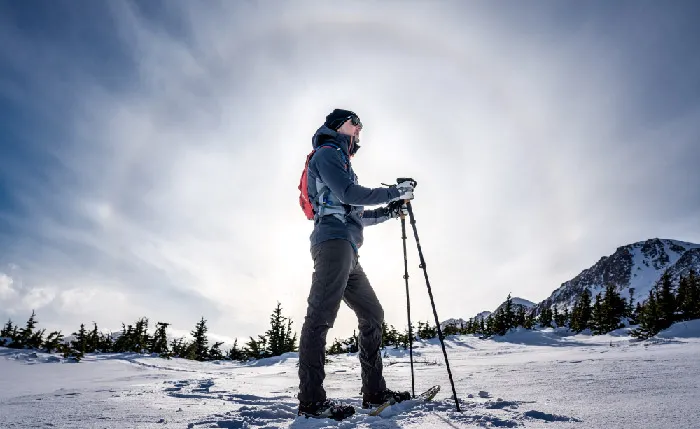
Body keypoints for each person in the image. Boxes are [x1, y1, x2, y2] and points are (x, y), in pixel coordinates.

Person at [297, 108, 415, 420]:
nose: (360, 130)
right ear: (338, 126)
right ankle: (311, 402)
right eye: (355, 124)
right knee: (320, 316)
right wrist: (395, 191)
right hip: (332, 244)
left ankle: (373, 392)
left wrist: (390, 209)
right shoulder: (327, 153)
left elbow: (357, 212)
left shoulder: (343, 163)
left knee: (373, 313)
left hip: (349, 251)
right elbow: (349, 194)